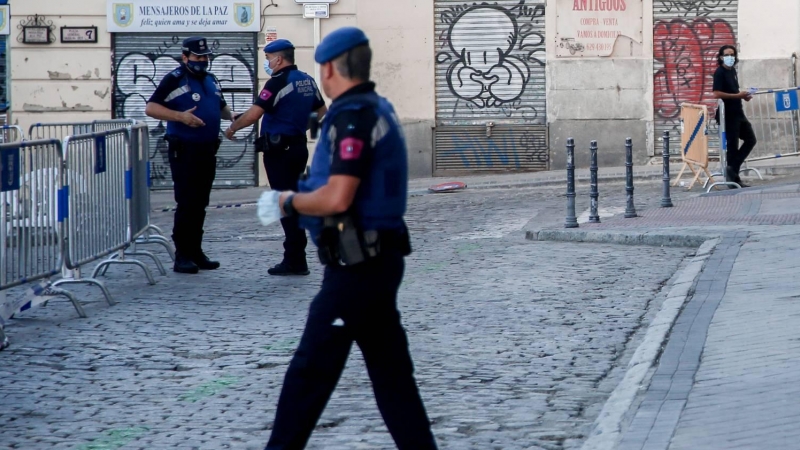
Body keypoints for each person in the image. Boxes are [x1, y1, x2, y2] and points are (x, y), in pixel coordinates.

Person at [263, 27, 438, 450]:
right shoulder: (377, 108)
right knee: (392, 377)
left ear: (327, 68)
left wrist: (287, 201)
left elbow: (339, 194)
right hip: (375, 260)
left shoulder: (353, 116)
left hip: (357, 266)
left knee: (309, 372)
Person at [225, 39, 327, 276]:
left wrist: (232, 129)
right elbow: (322, 112)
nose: (267, 63)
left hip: (280, 152)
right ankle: (296, 257)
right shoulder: (307, 80)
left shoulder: (278, 81)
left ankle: (295, 260)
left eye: (268, 58)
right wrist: (296, 121)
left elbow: (253, 115)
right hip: (298, 148)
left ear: (278, 59)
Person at [145, 37, 237, 274]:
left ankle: (196, 251)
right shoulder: (175, 78)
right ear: (185, 57)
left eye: (205, 57)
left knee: (200, 203)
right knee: (187, 203)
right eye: (197, 57)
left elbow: (220, 106)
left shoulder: (211, 79)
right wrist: (180, 117)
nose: (202, 61)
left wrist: (233, 116)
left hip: (207, 149)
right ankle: (182, 255)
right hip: (184, 149)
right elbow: (151, 107)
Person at [713, 44, 757, 188]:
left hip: (738, 111)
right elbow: (716, 93)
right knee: (732, 146)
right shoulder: (719, 72)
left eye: (732, 55)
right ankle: (733, 179)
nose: (730, 57)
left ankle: (732, 170)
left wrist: (744, 96)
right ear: (721, 57)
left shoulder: (732, 71)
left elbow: (734, 91)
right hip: (728, 114)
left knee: (750, 139)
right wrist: (737, 95)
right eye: (726, 55)